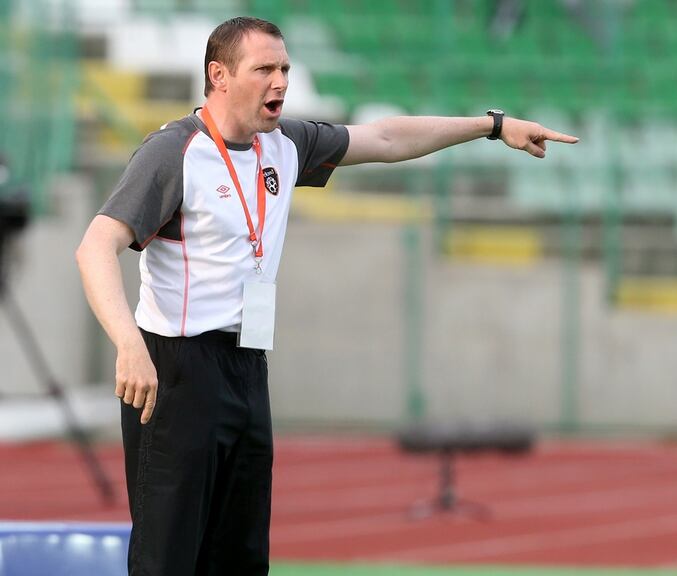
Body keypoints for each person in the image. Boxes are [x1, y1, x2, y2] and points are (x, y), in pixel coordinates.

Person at [75, 15, 577, 576]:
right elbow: (95, 247)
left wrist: (491, 125)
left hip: (246, 369)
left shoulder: (285, 143)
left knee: (240, 559)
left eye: (285, 68)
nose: (281, 81)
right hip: (175, 371)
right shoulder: (173, 152)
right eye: (264, 68)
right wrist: (127, 344)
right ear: (218, 75)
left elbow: (385, 139)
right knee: (167, 560)